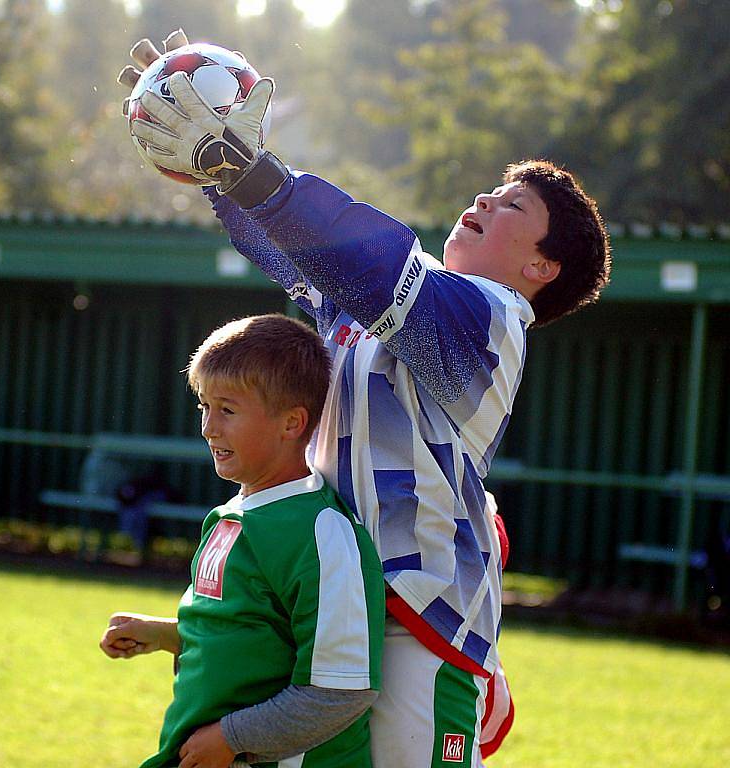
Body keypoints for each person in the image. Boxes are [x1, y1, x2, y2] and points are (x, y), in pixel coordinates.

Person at [119, 31, 611, 768]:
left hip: (420, 620)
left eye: (512, 205)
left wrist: (252, 173)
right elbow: (298, 253)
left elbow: (369, 260)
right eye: (493, 189)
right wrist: (217, 165)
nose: (484, 198)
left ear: (541, 265)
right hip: (337, 605)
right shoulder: (381, 305)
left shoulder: (492, 318)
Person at [100, 314, 385, 768]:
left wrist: (232, 738)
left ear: (292, 423)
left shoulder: (322, 531)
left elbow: (342, 689)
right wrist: (170, 636)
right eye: (204, 408)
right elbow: (251, 637)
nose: (209, 428)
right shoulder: (227, 516)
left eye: (227, 410)